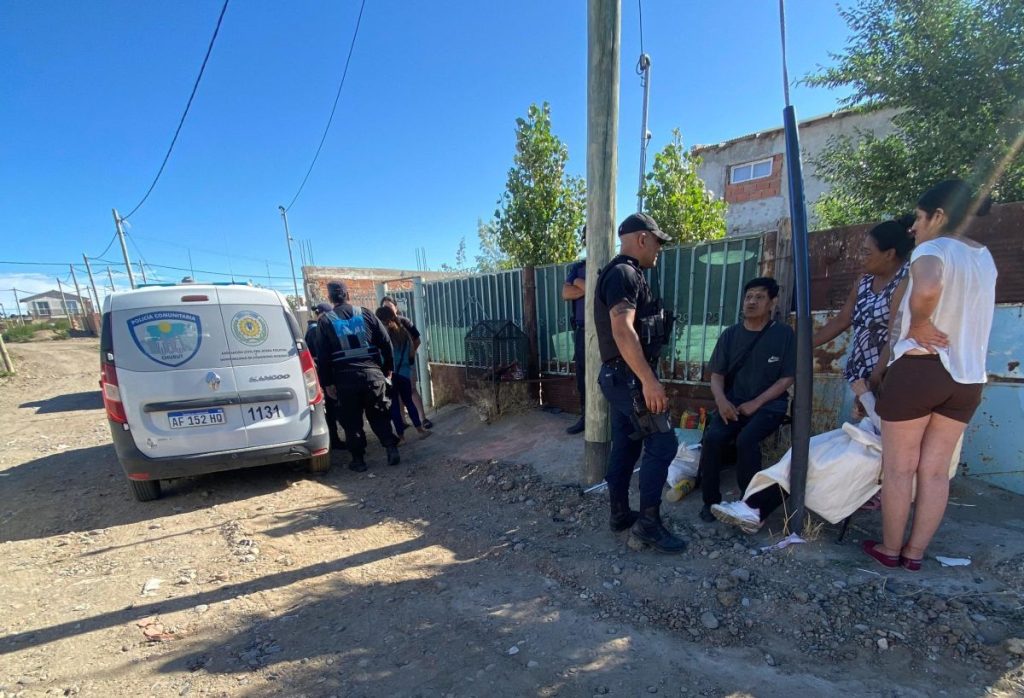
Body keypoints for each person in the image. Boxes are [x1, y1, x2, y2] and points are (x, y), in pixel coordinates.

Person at [864, 179, 997, 572]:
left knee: (900, 467)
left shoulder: (932, 248)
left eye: (919, 217)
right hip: (968, 379)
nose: (913, 227)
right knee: (936, 472)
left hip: (921, 369)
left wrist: (919, 321)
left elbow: (927, 287)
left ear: (938, 216)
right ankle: (915, 555)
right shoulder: (984, 256)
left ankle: (889, 549)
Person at [594, 212, 686, 554]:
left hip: (619, 376)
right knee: (663, 444)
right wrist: (648, 380)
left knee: (628, 445)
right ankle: (647, 525)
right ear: (643, 238)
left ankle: (620, 515)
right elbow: (622, 329)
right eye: (658, 241)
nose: (659, 249)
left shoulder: (626, 273)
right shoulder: (624, 273)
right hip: (629, 377)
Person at [697, 277, 795, 523]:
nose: (751, 302)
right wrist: (721, 401)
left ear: (772, 302)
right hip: (733, 405)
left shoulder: (783, 334)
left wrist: (757, 403)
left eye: (759, 297)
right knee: (712, 439)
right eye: (748, 296)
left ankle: (749, 505)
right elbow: (716, 375)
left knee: (746, 440)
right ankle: (710, 501)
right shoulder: (731, 335)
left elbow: (786, 379)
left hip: (770, 406)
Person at [315, 281, 400, 472]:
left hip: (345, 380)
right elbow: (386, 342)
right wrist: (387, 368)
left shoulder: (325, 321)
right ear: (348, 295)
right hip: (372, 375)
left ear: (330, 298)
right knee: (379, 414)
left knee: (352, 420)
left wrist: (327, 383)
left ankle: (359, 460)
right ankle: (391, 448)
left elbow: (322, 356)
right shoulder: (366, 313)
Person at [375, 305, 432, 442]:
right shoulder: (404, 333)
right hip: (405, 374)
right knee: (409, 402)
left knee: (394, 406)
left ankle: (401, 437)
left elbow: (380, 358)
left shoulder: (382, 336)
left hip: (389, 376)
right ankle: (420, 430)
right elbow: (412, 354)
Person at [305, 302, 345, 450]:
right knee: (334, 407)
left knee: (332, 407)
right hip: (327, 375)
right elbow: (322, 356)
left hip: (324, 375)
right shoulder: (316, 330)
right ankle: (334, 439)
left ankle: (335, 438)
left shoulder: (313, 329)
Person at [562, 225, 587, 435]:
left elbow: (596, 291)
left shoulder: (611, 266)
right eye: (586, 236)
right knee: (582, 376)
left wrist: (579, 284)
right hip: (581, 330)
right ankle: (585, 418)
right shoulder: (578, 267)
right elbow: (565, 292)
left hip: (606, 332)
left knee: (607, 377)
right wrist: (581, 283)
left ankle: (608, 422)